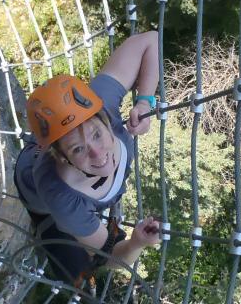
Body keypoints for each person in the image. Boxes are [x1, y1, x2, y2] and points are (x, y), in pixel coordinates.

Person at [14, 30, 162, 286]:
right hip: (36, 191)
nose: (98, 153)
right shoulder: (62, 197)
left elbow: (149, 40)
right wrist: (137, 243)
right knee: (80, 276)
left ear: (105, 119)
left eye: (96, 134)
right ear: (61, 157)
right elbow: (111, 258)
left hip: (55, 150)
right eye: (78, 150)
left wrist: (145, 102)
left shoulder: (100, 105)